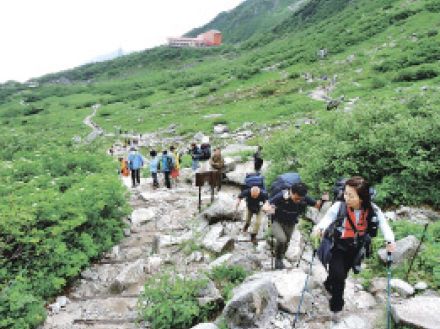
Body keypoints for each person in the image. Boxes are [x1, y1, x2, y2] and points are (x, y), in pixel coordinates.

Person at [312, 176, 396, 322]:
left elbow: (384, 224)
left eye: (351, 195)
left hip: (356, 248)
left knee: (341, 274)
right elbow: (327, 219)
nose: (346, 197)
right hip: (338, 246)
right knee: (339, 277)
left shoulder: (372, 210)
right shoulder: (339, 206)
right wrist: (319, 228)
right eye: (345, 193)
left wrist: (390, 240)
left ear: (361, 198)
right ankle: (336, 308)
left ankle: (328, 282)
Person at [263, 182, 323, 269]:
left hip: (291, 223)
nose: (298, 201)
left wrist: (323, 200)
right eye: (296, 198)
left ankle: (280, 258)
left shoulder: (304, 198)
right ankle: (278, 259)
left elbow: (317, 205)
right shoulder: (282, 196)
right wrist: (268, 209)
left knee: (286, 242)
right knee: (282, 239)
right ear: (291, 192)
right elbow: (266, 205)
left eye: (300, 199)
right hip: (276, 221)